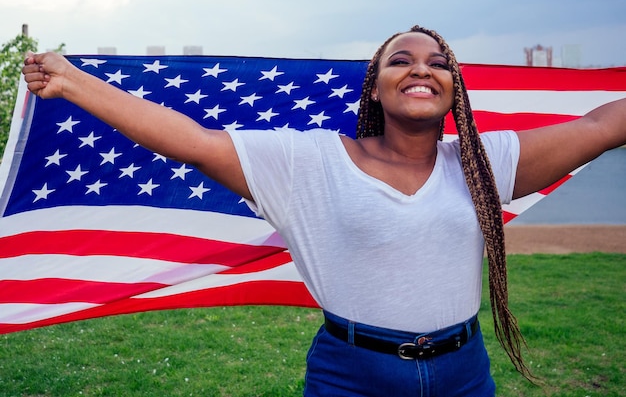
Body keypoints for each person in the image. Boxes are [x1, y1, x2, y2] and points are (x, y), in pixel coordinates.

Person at [22, 25, 626, 396]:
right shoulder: (310, 162)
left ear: (454, 89)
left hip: (464, 372)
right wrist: (73, 81)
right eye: (401, 59)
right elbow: (193, 140)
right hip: (351, 374)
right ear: (375, 86)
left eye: (439, 62)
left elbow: (601, 126)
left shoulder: (484, 162)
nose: (421, 67)